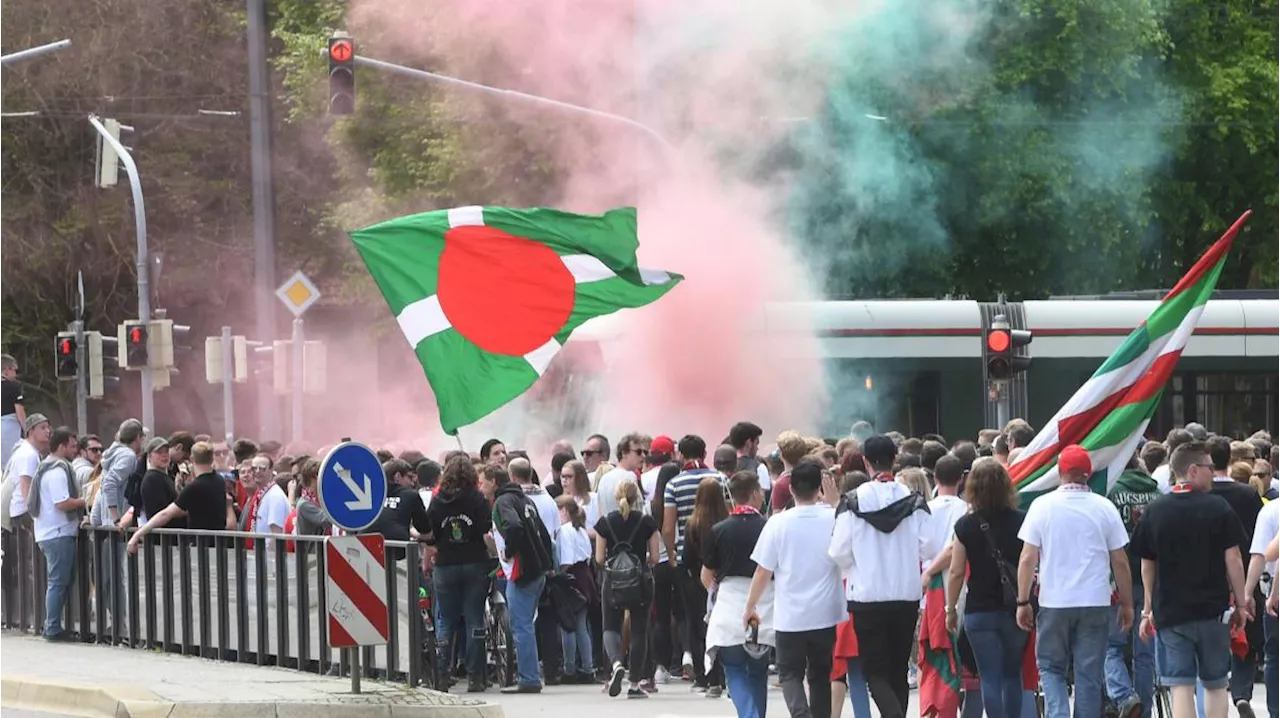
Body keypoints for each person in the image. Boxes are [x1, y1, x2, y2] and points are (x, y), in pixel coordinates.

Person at [1132, 441, 1250, 718]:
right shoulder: (1218, 507)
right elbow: (1233, 558)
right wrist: (1242, 604)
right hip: (1213, 611)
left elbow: (1147, 564)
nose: (1214, 473)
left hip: (1171, 613)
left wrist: (1148, 610)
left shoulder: (1156, 509)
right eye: (1210, 468)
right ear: (1193, 470)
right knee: (1216, 684)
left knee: (1181, 686)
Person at [1016, 444, 1134, 718]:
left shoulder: (1041, 506)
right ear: (1088, 474)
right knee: (1088, 674)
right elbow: (1120, 561)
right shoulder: (1104, 507)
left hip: (1053, 602)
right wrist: (1126, 604)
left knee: (1051, 667)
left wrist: (1023, 601)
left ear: (1060, 472)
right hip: (1095, 601)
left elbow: (1027, 558)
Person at [830, 435, 934, 718]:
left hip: (866, 596)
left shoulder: (851, 502)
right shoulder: (914, 501)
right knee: (898, 670)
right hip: (905, 594)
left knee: (875, 672)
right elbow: (930, 547)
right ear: (895, 459)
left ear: (865, 462)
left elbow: (838, 552)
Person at [750, 459, 845, 718]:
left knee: (789, 672)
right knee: (820, 673)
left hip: (790, 614)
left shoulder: (778, 523)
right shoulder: (834, 518)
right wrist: (836, 504)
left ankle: (800, 713)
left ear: (791, 489)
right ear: (820, 488)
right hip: (826, 612)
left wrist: (750, 606)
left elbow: (763, 571)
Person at [945, 458, 1026, 718]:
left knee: (988, 676)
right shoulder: (1021, 521)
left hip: (979, 610)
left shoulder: (965, 525)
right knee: (1012, 674)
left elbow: (956, 571)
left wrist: (950, 609)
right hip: (1015, 608)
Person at [705, 470, 773, 718]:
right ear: (755, 493)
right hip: (764, 604)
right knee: (758, 670)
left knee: (733, 668)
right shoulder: (769, 527)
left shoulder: (718, 530)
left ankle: (748, 714)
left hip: (729, 605)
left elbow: (707, 575)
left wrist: (715, 595)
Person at [483, 463, 556, 694]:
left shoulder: (503, 502)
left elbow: (513, 527)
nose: (481, 486)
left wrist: (509, 550)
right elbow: (544, 536)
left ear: (494, 482)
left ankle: (529, 679)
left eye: (483, 481)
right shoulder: (525, 500)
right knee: (526, 625)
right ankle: (530, 674)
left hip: (522, 571)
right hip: (537, 570)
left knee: (521, 626)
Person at [424, 455, 493, 692]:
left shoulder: (438, 501)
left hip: (445, 564)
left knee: (446, 620)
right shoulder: (478, 499)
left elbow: (430, 534)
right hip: (475, 562)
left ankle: (442, 673)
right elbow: (486, 529)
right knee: (475, 619)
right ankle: (475, 676)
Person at [595, 478, 660, 699]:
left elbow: (599, 557)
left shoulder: (605, 522)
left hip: (613, 582)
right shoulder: (647, 521)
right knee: (639, 630)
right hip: (640, 582)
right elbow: (655, 557)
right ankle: (635, 684)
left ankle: (615, 664)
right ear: (637, 498)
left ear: (616, 497)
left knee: (610, 627)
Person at [27, 427, 83, 641]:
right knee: (58, 581)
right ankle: (52, 627)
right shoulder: (57, 471)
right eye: (71, 446)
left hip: (49, 532)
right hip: (58, 533)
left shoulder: (45, 467)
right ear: (61, 446)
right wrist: (83, 501)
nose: (74, 450)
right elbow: (62, 503)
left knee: (58, 581)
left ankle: (53, 625)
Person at [556, 494, 596, 684]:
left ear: (563, 511)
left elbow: (566, 561)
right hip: (585, 577)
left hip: (571, 579)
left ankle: (569, 668)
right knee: (582, 626)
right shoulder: (581, 530)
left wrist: (556, 574)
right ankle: (588, 667)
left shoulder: (564, 531)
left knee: (568, 626)